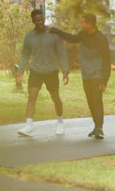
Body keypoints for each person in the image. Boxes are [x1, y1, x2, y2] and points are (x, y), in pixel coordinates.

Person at [49, 14, 110, 139]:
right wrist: (56, 31)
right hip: (86, 74)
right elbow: (72, 38)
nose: (81, 25)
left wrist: (105, 80)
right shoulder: (83, 34)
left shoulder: (101, 38)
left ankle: (100, 128)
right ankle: (96, 127)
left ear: (90, 24)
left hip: (97, 74)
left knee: (97, 100)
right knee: (91, 101)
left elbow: (106, 60)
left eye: (83, 23)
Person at [16, 9, 69, 137]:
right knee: (32, 97)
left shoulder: (53, 34)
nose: (40, 22)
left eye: (42, 19)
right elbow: (24, 55)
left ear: (44, 19)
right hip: (35, 71)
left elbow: (61, 52)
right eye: (37, 20)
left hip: (51, 71)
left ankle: (60, 123)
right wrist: (20, 71)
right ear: (33, 21)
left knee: (56, 98)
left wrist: (65, 71)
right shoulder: (29, 36)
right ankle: (29, 126)